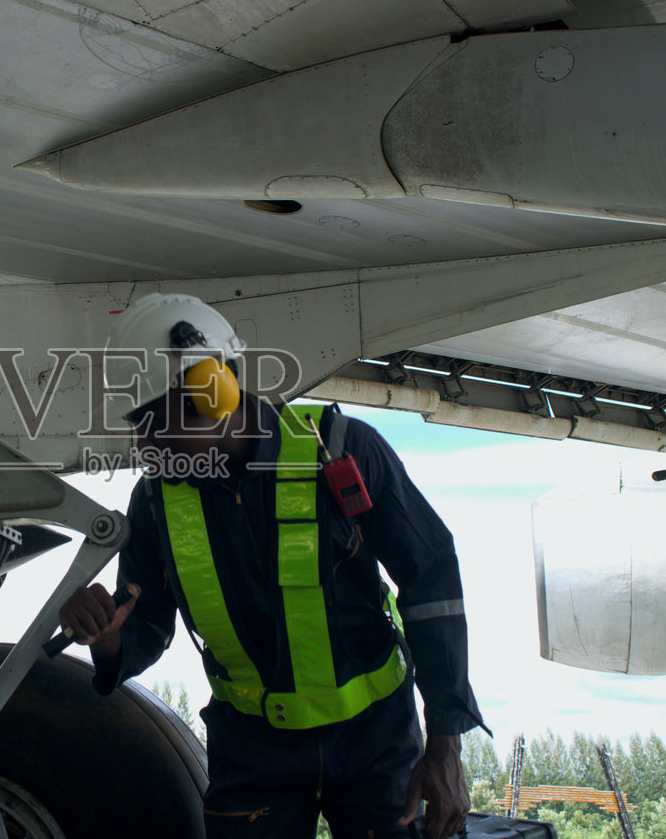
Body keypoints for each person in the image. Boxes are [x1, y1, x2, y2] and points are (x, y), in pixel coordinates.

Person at [59, 293, 488, 839]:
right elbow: (143, 628)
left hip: (375, 745)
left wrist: (446, 743)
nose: (144, 445)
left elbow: (432, 582)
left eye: (152, 423)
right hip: (251, 755)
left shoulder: (341, 450)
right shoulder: (156, 501)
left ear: (213, 393)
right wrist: (106, 635)